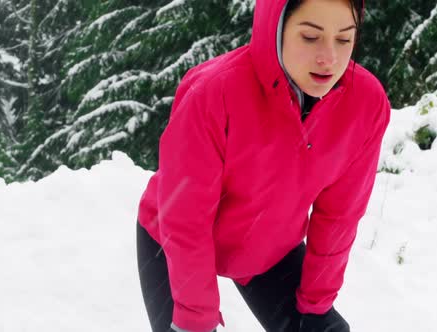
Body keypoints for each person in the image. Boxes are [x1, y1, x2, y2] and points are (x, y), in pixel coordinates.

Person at [136, 0, 391, 331]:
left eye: (344, 39)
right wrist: (195, 317)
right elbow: (186, 218)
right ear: (277, 27)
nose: (329, 57)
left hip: (269, 248)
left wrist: (315, 305)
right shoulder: (214, 93)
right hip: (172, 240)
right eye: (310, 37)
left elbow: (339, 215)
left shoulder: (365, 104)